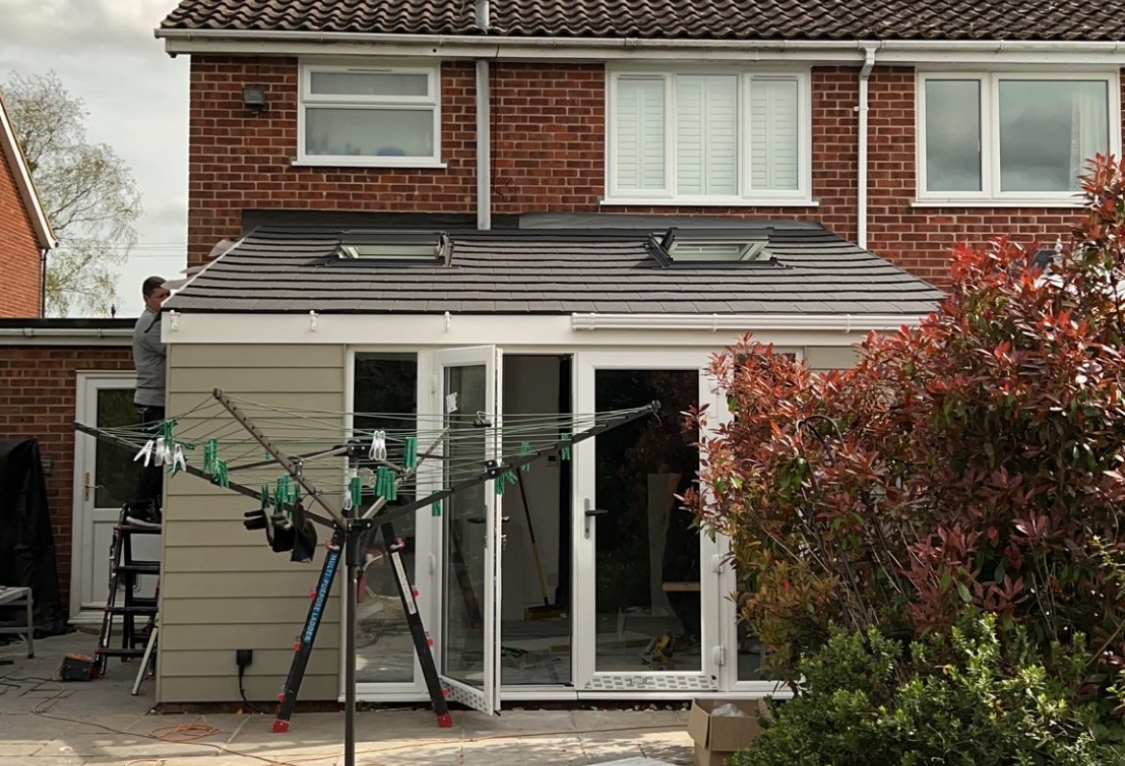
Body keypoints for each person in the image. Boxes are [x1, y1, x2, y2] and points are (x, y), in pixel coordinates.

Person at [126, 276, 170, 528]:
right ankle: (140, 508)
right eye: (160, 297)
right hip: (154, 402)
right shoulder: (148, 325)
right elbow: (175, 346)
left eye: (167, 295)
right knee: (156, 457)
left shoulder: (159, 321)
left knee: (164, 457)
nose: (165, 301)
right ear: (146, 298)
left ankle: (154, 505)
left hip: (161, 401)